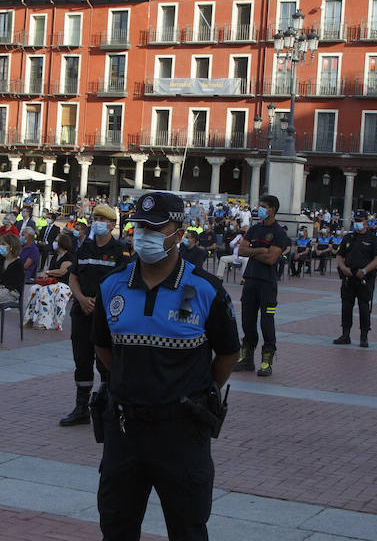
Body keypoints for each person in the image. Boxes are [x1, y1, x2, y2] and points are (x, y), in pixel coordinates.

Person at [89, 192, 239, 540]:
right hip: (124, 429)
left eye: (156, 227)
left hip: (182, 431)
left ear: (179, 233)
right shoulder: (113, 285)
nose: (145, 234)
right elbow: (102, 345)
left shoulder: (205, 289)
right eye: (140, 226)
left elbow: (229, 352)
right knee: (116, 526)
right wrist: (129, 379)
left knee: (188, 528)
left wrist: (200, 390)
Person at [61, 204, 127, 427]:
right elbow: (73, 277)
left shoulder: (120, 250)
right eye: (94, 217)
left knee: (106, 361)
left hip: (107, 316)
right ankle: (81, 408)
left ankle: (108, 406)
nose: (96, 221)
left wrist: (100, 303)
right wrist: (80, 298)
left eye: (101, 218)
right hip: (82, 311)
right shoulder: (84, 248)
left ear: (111, 224)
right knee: (82, 359)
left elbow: (124, 285)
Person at [233, 195, 288, 376]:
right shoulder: (255, 229)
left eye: (263, 206)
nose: (260, 209)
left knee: (266, 321)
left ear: (272, 209)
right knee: (247, 320)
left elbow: (271, 258)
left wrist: (253, 252)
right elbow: (241, 250)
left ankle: (267, 359)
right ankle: (247, 357)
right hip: (251, 279)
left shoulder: (279, 233)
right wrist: (260, 250)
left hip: (267, 283)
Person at [334, 212, 377, 347]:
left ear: (366, 222)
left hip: (365, 278)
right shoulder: (348, 237)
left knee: (364, 307)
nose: (357, 222)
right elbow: (339, 255)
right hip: (349, 276)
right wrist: (343, 268)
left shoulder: (372, 239)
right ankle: (345, 335)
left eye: (360, 220)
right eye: (356, 220)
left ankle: (364, 336)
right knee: (346, 306)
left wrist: (365, 270)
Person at [26, 233, 75, 331]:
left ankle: (45, 322)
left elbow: (62, 272)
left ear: (62, 243)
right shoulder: (55, 256)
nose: (54, 243)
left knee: (45, 291)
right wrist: (44, 274)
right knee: (34, 289)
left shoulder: (69, 257)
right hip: (52, 283)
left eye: (57, 240)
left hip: (63, 285)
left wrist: (48, 272)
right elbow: (49, 271)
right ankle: (30, 318)